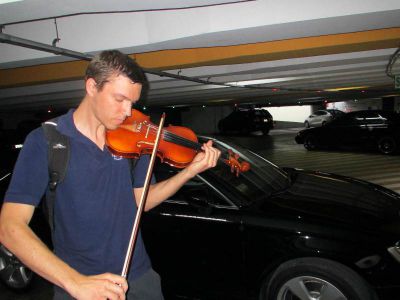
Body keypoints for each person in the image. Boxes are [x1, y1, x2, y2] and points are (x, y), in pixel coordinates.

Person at [0, 50, 221, 300]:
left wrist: (189, 171)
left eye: (132, 103)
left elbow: (142, 201)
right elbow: (10, 226)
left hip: (140, 277)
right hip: (79, 284)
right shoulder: (46, 141)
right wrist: (75, 283)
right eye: (119, 99)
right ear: (92, 86)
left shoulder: (135, 141)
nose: (128, 112)